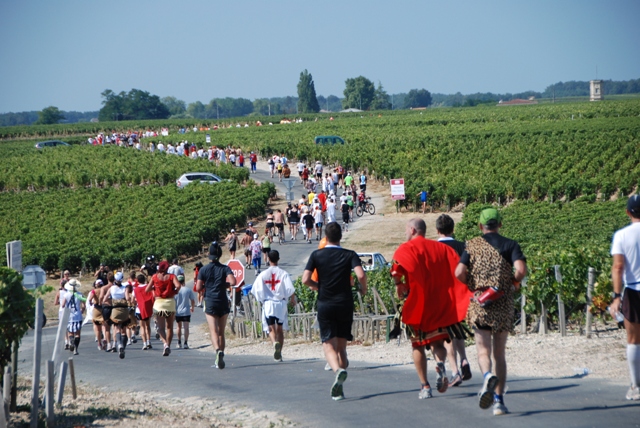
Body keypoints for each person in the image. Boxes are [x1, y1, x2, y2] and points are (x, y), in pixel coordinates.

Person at [455, 208, 527, 415]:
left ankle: (487, 375)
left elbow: (459, 271)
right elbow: (520, 270)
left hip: (481, 302)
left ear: (480, 226)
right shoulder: (510, 244)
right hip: (503, 301)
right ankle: (499, 401)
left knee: (482, 349)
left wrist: (472, 285)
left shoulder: (472, 245)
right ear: (500, 225)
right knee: (500, 353)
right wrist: (512, 283)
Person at [391, 218, 471, 400]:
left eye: (406, 229)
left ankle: (425, 386)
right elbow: (457, 271)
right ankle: (440, 363)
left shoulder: (406, 248)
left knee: (417, 345)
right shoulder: (442, 249)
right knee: (438, 342)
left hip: (418, 304)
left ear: (412, 230)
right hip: (439, 305)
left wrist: (399, 285)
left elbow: (396, 270)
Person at [302, 222, 367, 401]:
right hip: (345, 303)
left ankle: (338, 371)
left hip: (326, 303)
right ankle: (341, 383)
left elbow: (305, 279)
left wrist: (318, 287)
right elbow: (361, 275)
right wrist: (363, 289)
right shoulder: (349, 254)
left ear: (326, 236)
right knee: (342, 348)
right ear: (340, 236)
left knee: (328, 344)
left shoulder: (316, 255)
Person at [609, 195, 640, 401]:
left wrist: (616, 296)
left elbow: (618, 267)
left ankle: (636, 385)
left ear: (628, 212)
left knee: (633, 340)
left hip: (633, 289)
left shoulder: (622, 235)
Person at [434, 214, 471, 386]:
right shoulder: (462, 246)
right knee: (457, 329)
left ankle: (455, 370)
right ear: (452, 229)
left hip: (442, 295)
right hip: (460, 294)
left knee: (447, 334)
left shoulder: (433, 248)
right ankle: (464, 359)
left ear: (437, 230)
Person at [196, 242, 236, 369]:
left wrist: (207, 286)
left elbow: (198, 287)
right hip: (222, 300)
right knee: (221, 332)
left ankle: (217, 351)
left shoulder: (203, 270)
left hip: (210, 300)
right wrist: (223, 285)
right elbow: (233, 282)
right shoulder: (225, 268)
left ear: (209, 255)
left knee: (213, 330)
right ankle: (222, 353)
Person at [251, 250, 296, 361]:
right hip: (280, 304)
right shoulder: (283, 273)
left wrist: (261, 299)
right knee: (280, 329)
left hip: (269, 304)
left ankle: (274, 343)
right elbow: (290, 289)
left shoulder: (263, 274)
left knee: (271, 329)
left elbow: (255, 289)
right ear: (278, 259)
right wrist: (292, 299)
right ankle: (279, 353)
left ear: (268, 259)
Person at [145, 261, 182, 357]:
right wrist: (175, 291)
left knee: (160, 328)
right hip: (170, 302)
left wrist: (154, 289)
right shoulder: (172, 276)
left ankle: (165, 344)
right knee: (169, 327)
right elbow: (178, 286)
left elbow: (147, 289)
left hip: (159, 303)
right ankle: (168, 346)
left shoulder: (154, 277)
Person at [102, 272, 133, 359]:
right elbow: (127, 298)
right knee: (124, 330)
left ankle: (119, 344)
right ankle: (123, 346)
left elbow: (104, 299)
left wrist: (112, 298)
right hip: (124, 310)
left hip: (115, 309)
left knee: (116, 328)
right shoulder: (125, 287)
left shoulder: (112, 288)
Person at [60, 279, 85, 356]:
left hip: (69, 315)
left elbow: (63, 305)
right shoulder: (80, 294)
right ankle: (76, 349)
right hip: (78, 315)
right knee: (78, 333)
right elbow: (83, 305)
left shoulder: (66, 295)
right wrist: (82, 310)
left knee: (70, 332)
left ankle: (71, 341)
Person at [132, 273, 154, 350]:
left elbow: (132, 300)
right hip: (148, 309)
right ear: (144, 280)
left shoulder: (135, 289)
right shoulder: (148, 287)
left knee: (142, 326)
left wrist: (135, 302)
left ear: (137, 281)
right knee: (148, 325)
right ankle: (148, 341)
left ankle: (144, 343)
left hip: (139, 309)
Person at [174, 274, 195, 349]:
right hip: (186, 311)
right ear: (184, 281)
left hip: (178, 311)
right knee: (186, 327)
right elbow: (192, 300)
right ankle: (185, 343)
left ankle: (179, 342)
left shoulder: (175, 291)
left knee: (178, 327)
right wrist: (192, 307)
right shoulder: (188, 290)